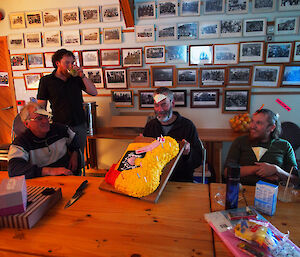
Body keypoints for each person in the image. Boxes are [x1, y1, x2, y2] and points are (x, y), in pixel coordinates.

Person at [37, 48, 97, 156]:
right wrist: (41, 123)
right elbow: (41, 105)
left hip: (79, 124)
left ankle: (78, 173)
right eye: (67, 62)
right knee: (61, 157)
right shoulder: (46, 81)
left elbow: (94, 92)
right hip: (59, 126)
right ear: (57, 63)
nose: (70, 66)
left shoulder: (76, 78)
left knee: (78, 157)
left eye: (72, 62)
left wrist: (82, 75)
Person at [224, 108, 299, 186]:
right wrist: (257, 169)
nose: (252, 126)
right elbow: (227, 173)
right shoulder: (240, 141)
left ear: (272, 128)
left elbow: (296, 180)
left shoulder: (284, 145)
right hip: (243, 191)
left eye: (259, 123)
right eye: (252, 121)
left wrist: (276, 170)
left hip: (273, 193)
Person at [143, 87, 203, 182]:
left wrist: (188, 153)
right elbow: (145, 159)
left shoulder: (187, 126)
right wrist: (140, 146)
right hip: (155, 179)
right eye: (156, 105)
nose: (160, 110)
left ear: (173, 103)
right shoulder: (150, 126)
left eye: (164, 105)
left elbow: (198, 160)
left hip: (181, 179)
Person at [8, 102, 80, 179]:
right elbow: (14, 170)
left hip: (66, 177)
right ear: (26, 124)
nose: (45, 121)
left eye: (46, 116)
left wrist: (74, 153)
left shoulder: (60, 130)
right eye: (39, 119)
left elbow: (74, 140)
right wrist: (49, 171)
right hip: (40, 181)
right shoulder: (21, 142)